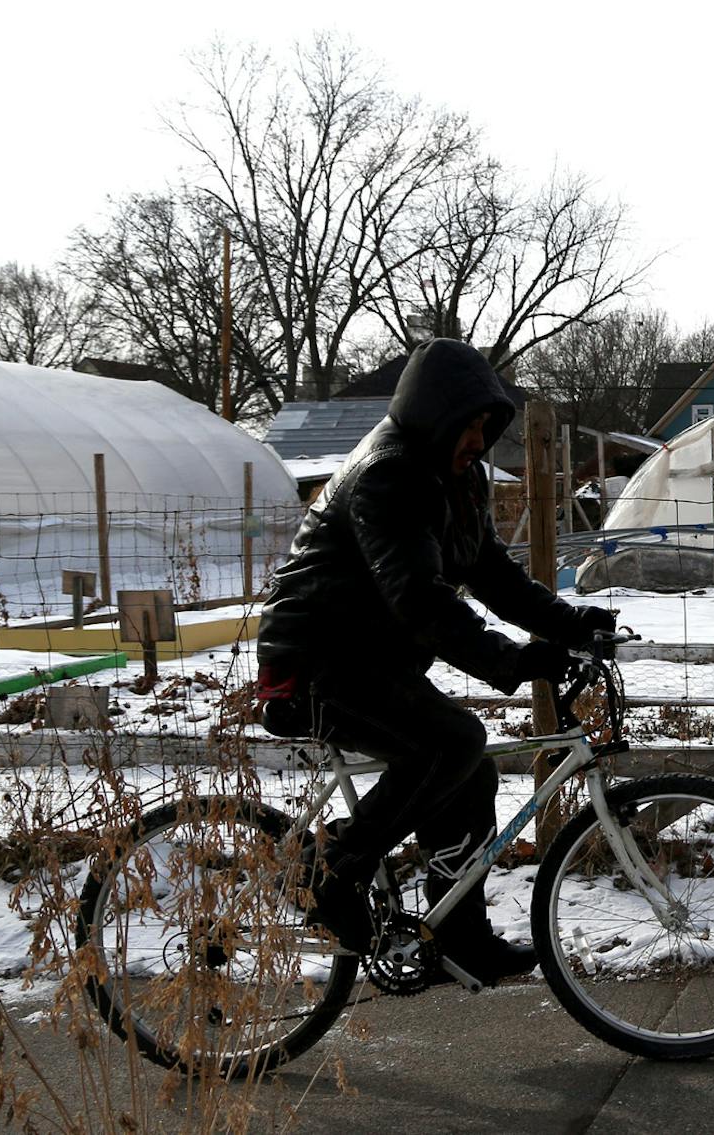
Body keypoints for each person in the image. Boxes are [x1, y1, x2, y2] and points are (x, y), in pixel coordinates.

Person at [255, 339, 614, 983]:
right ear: (437, 414)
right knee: (452, 743)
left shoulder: (455, 477)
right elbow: (420, 601)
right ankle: (332, 872)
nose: (480, 439)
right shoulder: (390, 474)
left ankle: (459, 935)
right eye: (471, 423)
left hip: (367, 657)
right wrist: (512, 662)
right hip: (316, 658)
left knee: (468, 771)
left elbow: (492, 575)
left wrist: (573, 625)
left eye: (487, 425)